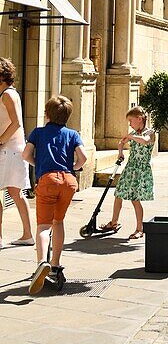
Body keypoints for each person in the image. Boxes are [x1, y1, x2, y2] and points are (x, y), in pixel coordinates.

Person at [23, 94, 87, 294]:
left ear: (46, 114)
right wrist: (72, 167)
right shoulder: (72, 134)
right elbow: (83, 158)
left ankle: (42, 263)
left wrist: (40, 166)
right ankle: (56, 263)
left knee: (43, 225)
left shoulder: (38, 132)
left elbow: (26, 155)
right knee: (58, 222)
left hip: (47, 180)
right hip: (68, 181)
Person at [99, 106, 155, 239]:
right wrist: (120, 151)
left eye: (131, 121)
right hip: (130, 168)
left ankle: (139, 229)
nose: (130, 124)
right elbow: (121, 143)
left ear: (139, 119)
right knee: (118, 194)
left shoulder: (150, 132)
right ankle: (113, 222)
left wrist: (131, 136)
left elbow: (145, 141)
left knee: (135, 200)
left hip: (141, 170)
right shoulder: (134, 133)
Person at [0, 58, 33, 247]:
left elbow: (16, 123)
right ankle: (27, 235)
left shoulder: (7, 95)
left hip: (8, 150)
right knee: (15, 193)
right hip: (12, 151)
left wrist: (0, 140)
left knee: (14, 193)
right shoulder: (8, 94)